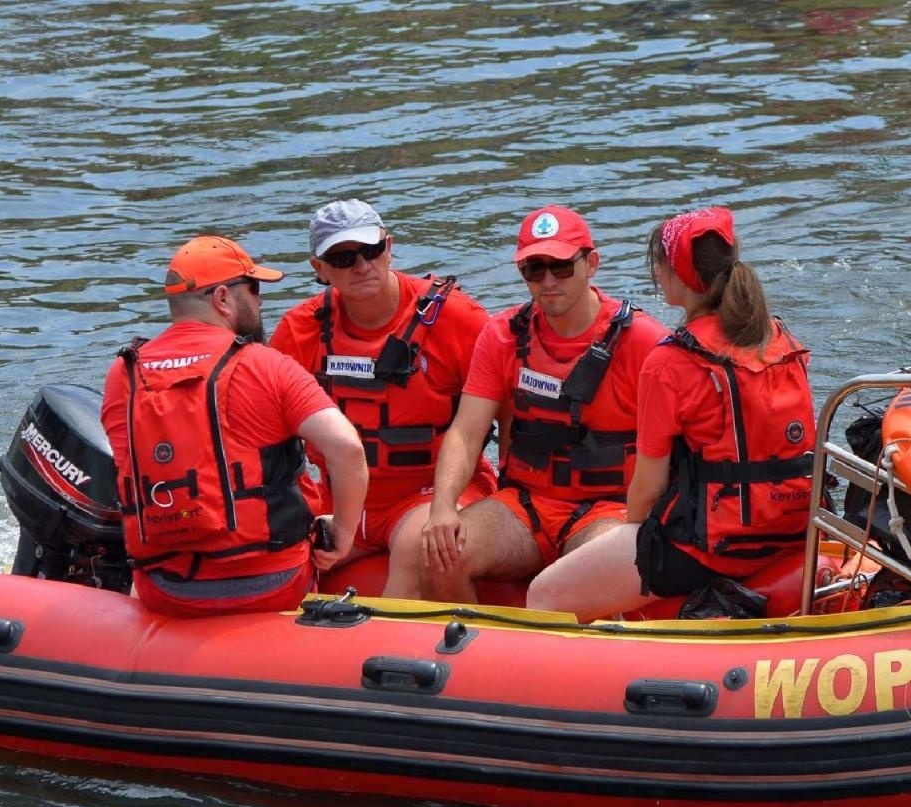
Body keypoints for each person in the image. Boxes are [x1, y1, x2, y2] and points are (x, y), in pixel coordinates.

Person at [525, 206, 816, 621]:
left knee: (543, 595)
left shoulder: (670, 362)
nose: (656, 275)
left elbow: (647, 489)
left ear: (677, 275)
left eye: (658, 265)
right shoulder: (781, 337)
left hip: (709, 548)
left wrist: (634, 530)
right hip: (793, 528)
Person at [101, 235, 368, 618]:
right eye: (254, 289)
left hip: (165, 590)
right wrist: (342, 532)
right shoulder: (267, 365)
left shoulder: (124, 373)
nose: (260, 302)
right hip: (273, 584)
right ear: (223, 298)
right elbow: (347, 448)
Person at [421, 205, 668, 603]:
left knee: (590, 575)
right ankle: (470, 640)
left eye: (561, 266)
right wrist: (442, 507)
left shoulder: (643, 341)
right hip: (525, 505)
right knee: (442, 555)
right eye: (534, 269)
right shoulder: (501, 335)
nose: (548, 281)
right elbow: (466, 434)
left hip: (610, 509)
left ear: (591, 264)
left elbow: (679, 445)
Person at [269, 200, 495, 598]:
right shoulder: (298, 331)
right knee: (276, 553)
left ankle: (389, 637)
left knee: (416, 546)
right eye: (343, 258)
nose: (361, 266)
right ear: (319, 269)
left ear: (389, 247)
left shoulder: (458, 319)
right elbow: (267, 432)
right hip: (342, 501)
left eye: (371, 251)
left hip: (431, 493)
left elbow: (508, 412)